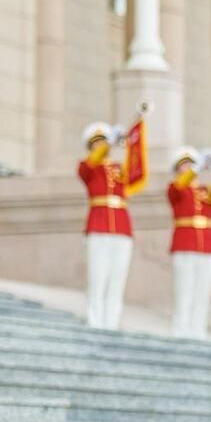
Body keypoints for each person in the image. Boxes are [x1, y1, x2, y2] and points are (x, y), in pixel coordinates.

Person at [78, 122, 133, 330]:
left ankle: (111, 322)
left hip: (122, 227)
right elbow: (91, 163)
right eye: (97, 143)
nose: (101, 146)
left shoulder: (119, 170)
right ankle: (95, 320)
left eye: (103, 142)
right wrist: (108, 141)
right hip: (98, 225)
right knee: (97, 276)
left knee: (117, 278)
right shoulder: (87, 166)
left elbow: (137, 172)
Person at [167, 146, 211, 339]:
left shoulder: (205, 191)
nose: (188, 168)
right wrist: (196, 169)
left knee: (203, 291)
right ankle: (180, 329)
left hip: (207, 244)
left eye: (191, 164)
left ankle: (198, 329)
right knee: (184, 289)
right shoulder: (175, 187)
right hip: (185, 243)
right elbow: (180, 186)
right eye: (185, 165)